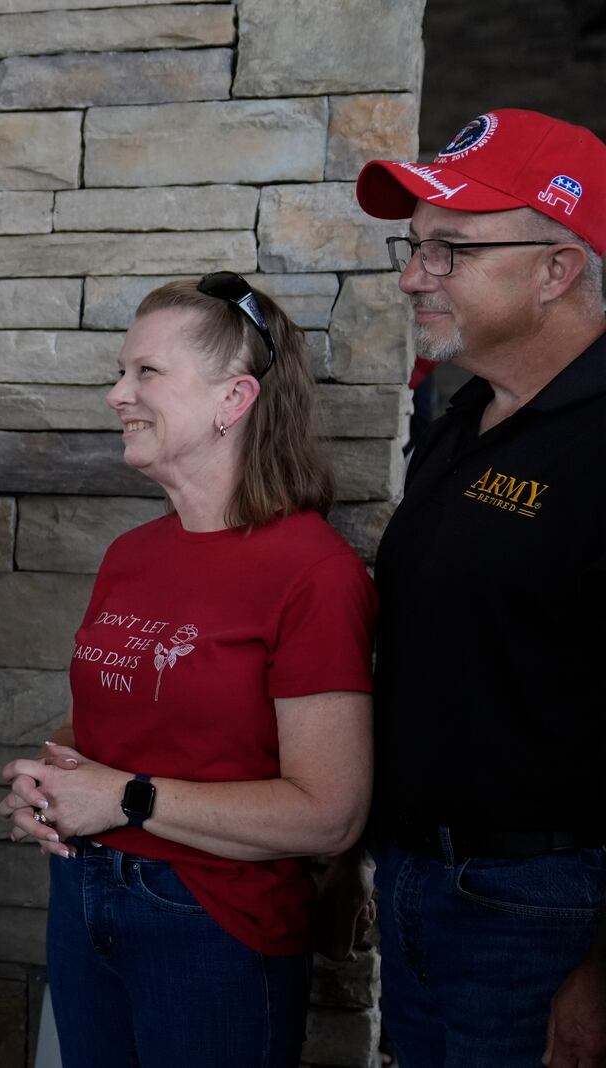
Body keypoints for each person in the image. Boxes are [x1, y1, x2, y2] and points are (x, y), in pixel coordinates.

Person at [0, 276, 377, 1067]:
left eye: (146, 373)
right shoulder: (131, 555)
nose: (116, 395)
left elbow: (329, 814)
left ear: (232, 400)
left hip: (215, 923)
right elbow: (117, 714)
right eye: (121, 372)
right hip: (84, 895)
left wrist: (126, 798)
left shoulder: (313, 573)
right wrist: (53, 779)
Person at [315, 108, 606, 1068]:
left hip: (544, 906)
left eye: (451, 250)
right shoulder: (467, 411)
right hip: (421, 880)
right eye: (416, 247)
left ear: (557, 268)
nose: (411, 277)